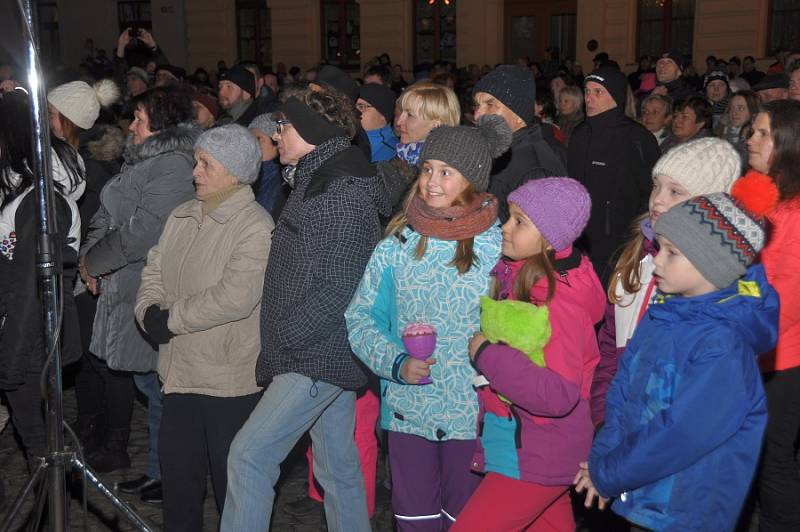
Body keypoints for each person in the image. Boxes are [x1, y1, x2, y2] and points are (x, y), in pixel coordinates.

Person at [221, 89, 387, 532]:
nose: (277, 134)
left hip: (315, 353)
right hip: (316, 349)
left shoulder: (340, 191)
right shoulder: (315, 178)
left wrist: (288, 337)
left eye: (285, 126)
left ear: (311, 132)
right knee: (338, 469)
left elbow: (339, 287)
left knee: (250, 455)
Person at [345, 114, 511, 531]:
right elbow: (361, 317)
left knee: (466, 523)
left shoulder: (498, 250)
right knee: (415, 523)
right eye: (427, 169)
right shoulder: (397, 245)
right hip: (408, 413)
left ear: (472, 180)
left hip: (470, 417)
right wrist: (396, 363)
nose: (431, 182)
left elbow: (518, 328)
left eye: (446, 173)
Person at [577, 192, 776, 532]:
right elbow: (623, 392)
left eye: (672, 253)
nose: (656, 261)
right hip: (645, 495)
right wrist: (603, 459)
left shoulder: (724, 345)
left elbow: (682, 433)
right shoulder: (664, 317)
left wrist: (609, 472)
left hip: (685, 511)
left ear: (710, 264)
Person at [134, 124, 273, 532]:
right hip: (178, 377)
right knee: (179, 493)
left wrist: (169, 319)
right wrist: (147, 311)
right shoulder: (182, 215)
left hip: (227, 383)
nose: (195, 171)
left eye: (205, 163)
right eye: (197, 161)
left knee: (234, 494)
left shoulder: (254, 226)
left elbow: (235, 296)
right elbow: (153, 270)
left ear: (234, 171)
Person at [452, 178, 604, 531]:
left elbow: (558, 393)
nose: (505, 226)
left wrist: (488, 355)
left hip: (539, 451)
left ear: (549, 238)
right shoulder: (525, 278)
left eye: (520, 221)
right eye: (510, 216)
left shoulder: (556, 300)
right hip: (525, 444)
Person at [80, 86, 199, 501]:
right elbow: (107, 213)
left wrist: (94, 262)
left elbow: (143, 232)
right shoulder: (145, 159)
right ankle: (158, 470)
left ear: (162, 125)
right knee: (152, 385)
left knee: (160, 386)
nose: (131, 126)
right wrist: (90, 257)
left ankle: (173, 475)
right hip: (124, 281)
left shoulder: (173, 166)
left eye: (140, 120)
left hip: (151, 285)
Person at [591, 138, 742, 426]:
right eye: (656, 186)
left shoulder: (710, 286)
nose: (658, 199)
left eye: (675, 191)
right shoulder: (635, 259)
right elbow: (610, 347)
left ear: (707, 205)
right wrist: (602, 418)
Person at [0, 88, 83, 467]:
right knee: (37, 441)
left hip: (32, 344)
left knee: (41, 447)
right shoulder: (24, 193)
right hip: (25, 338)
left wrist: (10, 363)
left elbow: (30, 289)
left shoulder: (39, 202)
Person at [733, 99, 800, 531]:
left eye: (761, 133)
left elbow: (788, 301)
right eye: (752, 131)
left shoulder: (795, 213)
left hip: (780, 358)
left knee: (773, 462)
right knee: (741, 460)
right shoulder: (753, 194)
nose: (750, 140)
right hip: (743, 346)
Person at [567, 65, 661, 283]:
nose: (589, 98)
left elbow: (650, 191)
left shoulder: (638, 139)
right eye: (587, 92)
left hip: (619, 240)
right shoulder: (580, 134)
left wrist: (635, 235)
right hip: (580, 236)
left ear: (616, 96)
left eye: (598, 92)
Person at [473, 65, 567, 222]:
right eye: (477, 105)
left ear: (518, 114)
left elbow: (536, 241)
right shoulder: (500, 151)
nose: (477, 115)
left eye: (490, 105)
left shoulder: (535, 170)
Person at [379, 82, 461, 214]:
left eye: (410, 115)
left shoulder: (451, 172)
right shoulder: (401, 160)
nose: (399, 122)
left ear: (436, 125)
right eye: (401, 113)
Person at [248, 113, 284, 218]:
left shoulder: (282, 182)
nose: (252, 146)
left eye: (258, 139)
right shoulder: (248, 175)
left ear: (276, 142)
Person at [716, 90, 760, 168]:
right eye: (732, 108)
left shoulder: (757, 139)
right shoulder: (720, 131)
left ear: (752, 110)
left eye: (741, 108)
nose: (734, 113)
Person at [357, 83, 399, 162]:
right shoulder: (351, 139)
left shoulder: (393, 155)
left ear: (383, 116)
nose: (355, 111)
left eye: (361, 107)